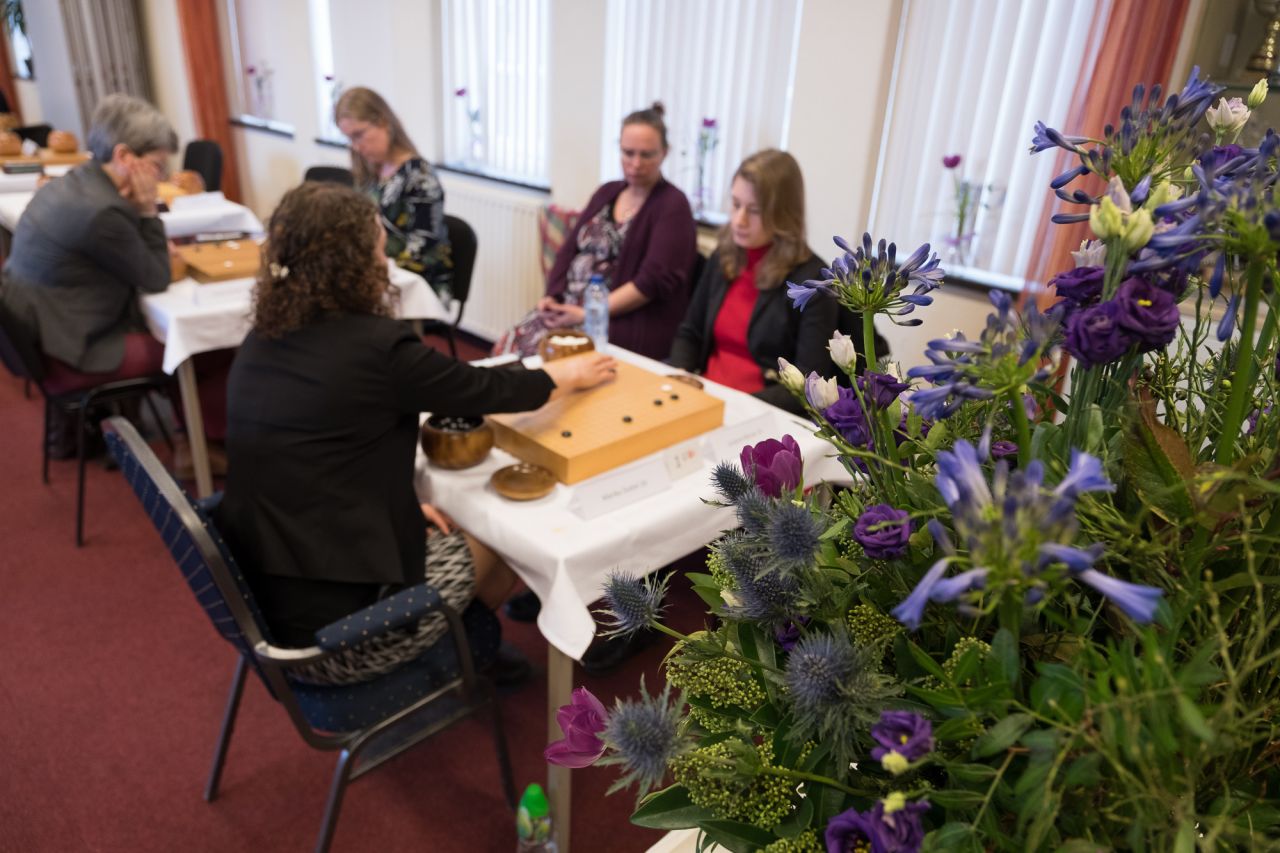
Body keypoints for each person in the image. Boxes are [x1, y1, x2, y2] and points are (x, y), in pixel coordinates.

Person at [215, 181, 616, 685]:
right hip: (338, 640)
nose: (387, 265)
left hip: (265, 603)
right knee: (506, 542)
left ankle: (463, 648)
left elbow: (310, 458)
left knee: (445, 517)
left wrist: (394, 507)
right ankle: (466, 656)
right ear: (354, 266)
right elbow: (483, 388)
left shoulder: (261, 338)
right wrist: (568, 375)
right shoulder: (380, 351)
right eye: (380, 252)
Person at [0, 93, 227, 461]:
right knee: (195, 345)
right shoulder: (101, 211)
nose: (161, 177)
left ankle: (195, 437)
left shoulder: (71, 183)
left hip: (43, 333)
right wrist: (149, 210)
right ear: (124, 157)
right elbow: (155, 276)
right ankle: (200, 447)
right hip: (74, 351)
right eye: (156, 166)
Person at [668, 149, 877, 415]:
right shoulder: (724, 257)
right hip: (707, 399)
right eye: (735, 204)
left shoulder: (813, 283)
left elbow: (807, 381)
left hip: (759, 412)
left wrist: (737, 406)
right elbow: (690, 333)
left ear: (783, 215)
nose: (739, 220)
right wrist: (679, 376)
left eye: (754, 210)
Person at [496, 103, 697, 360]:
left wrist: (587, 312)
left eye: (646, 155)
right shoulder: (607, 192)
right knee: (509, 348)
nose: (635, 163)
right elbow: (568, 250)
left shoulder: (673, 206)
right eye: (628, 152)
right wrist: (552, 298)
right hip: (572, 308)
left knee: (539, 362)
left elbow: (651, 283)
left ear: (664, 154)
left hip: (619, 321)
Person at [335, 86, 453, 300]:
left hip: (416, 283)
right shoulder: (370, 172)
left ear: (383, 122)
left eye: (359, 135)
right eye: (349, 139)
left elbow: (422, 251)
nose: (356, 147)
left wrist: (369, 276)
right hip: (378, 274)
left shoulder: (419, 176)